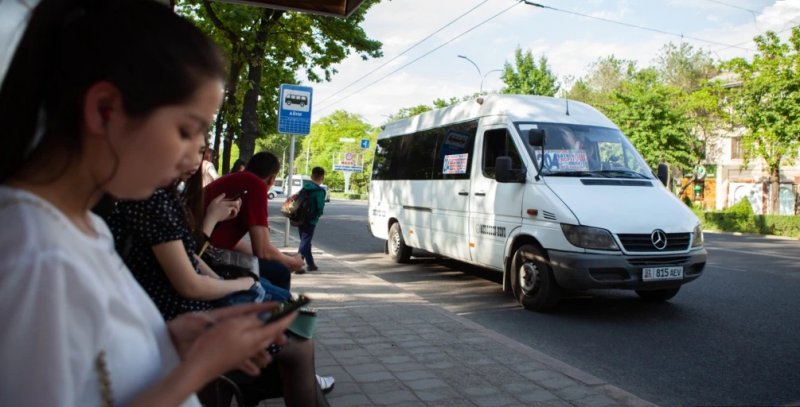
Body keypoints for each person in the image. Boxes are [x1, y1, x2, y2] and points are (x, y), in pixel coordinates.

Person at [0, 1, 295, 406]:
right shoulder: (37, 256)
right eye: (186, 130)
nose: (195, 156)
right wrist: (200, 367)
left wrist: (169, 340)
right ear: (105, 111)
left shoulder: (83, 226)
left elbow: (93, 364)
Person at [106, 144, 332, 406]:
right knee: (299, 343)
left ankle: (257, 383)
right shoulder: (152, 199)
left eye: (202, 149)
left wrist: (232, 281)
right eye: (183, 132)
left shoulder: (157, 196)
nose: (197, 157)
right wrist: (239, 283)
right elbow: (191, 282)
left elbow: (191, 256)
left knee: (288, 318)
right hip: (178, 311)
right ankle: (255, 384)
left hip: (172, 306)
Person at [204, 152, 305, 290]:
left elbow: (234, 242)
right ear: (272, 179)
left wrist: (281, 256)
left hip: (199, 249)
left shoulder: (235, 179)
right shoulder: (256, 185)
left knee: (274, 265)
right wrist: (292, 262)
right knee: (280, 271)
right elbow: (262, 251)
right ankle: (279, 310)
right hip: (205, 256)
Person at [297, 167, 326, 272]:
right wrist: (318, 215)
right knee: (305, 242)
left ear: (311, 176)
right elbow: (320, 207)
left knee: (305, 241)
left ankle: (311, 264)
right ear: (322, 177)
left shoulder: (304, 188)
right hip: (311, 220)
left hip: (300, 218)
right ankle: (297, 265)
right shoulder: (320, 191)